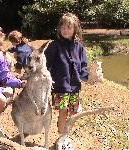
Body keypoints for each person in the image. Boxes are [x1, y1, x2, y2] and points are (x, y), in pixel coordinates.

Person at [44, 13, 89, 147]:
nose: (65, 30)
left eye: (69, 27)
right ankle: (60, 138)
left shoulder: (79, 47)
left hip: (75, 87)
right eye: (62, 27)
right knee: (63, 111)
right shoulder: (54, 46)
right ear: (59, 29)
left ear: (75, 29)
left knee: (74, 112)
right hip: (60, 87)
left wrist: (87, 77)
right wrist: (48, 80)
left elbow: (83, 65)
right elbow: (46, 65)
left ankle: (66, 135)